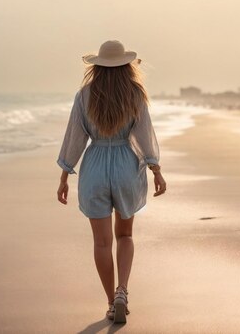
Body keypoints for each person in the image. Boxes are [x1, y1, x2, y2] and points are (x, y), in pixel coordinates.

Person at [56, 40, 167, 324]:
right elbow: (144, 135)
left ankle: (110, 302)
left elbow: (75, 138)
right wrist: (155, 169)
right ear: (127, 66)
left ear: (97, 67)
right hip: (125, 167)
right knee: (125, 235)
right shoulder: (135, 95)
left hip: (94, 167)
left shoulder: (84, 95)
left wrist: (65, 174)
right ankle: (122, 292)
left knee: (102, 242)